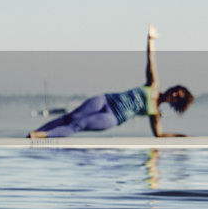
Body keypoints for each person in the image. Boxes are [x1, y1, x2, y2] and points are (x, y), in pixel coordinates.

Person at [28, 25, 192, 138]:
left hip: (112, 117)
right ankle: (35, 132)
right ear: (173, 88)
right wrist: (150, 39)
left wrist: (181, 136)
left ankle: (42, 136)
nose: (176, 94)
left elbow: (159, 134)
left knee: (78, 124)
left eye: (179, 97)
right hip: (106, 100)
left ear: (176, 103)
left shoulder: (155, 112)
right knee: (71, 117)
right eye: (177, 91)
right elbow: (151, 59)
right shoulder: (154, 84)